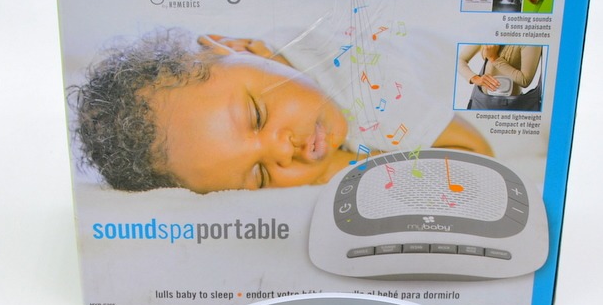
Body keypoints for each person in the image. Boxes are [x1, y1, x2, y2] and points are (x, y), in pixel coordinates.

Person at [73, 27, 492, 193]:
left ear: (234, 47)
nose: (282, 150)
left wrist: (342, 165)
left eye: (257, 116)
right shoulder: (269, 79)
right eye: (260, 174)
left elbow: (478, 165)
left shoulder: (367, 81)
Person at [457, 44, 542, 106]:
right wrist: (474, 78)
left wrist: (494, 58)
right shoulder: (489, 31)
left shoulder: (529, 38)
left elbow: (525, 80)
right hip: (481, 103)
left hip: (511, 107)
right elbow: (459, 60)